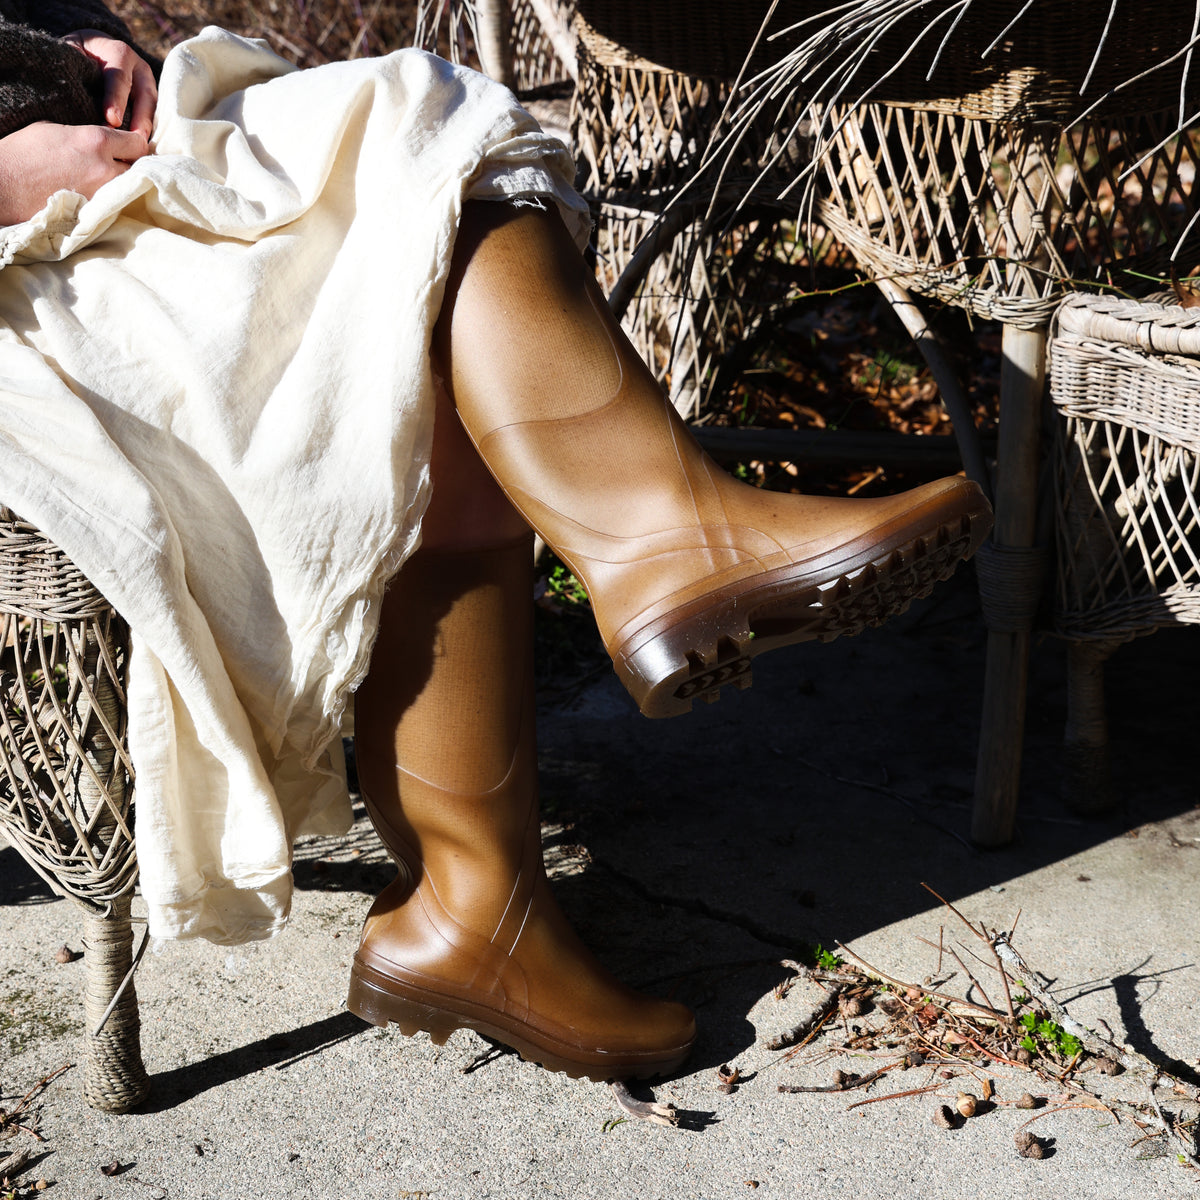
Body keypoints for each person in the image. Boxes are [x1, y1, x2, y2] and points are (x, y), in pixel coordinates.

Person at [0, 0, 990, 1082]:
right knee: (412, 148)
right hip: (32, 248)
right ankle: (651, 565)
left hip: (115, 153)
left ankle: (476, 892)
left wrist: (84, 39)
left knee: (425, 164)